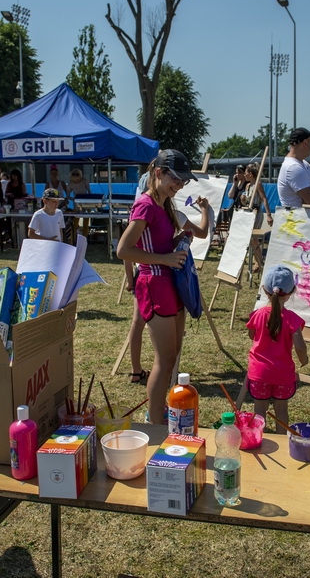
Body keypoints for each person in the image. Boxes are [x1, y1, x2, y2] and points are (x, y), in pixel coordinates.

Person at [116, 149, 205, 424]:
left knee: (172, 356)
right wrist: (164, 258)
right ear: (158, 173)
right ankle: (154, 423)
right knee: (164, 361)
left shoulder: (165, 204)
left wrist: (179, 239)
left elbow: (157, 240)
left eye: (183, 182)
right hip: (155, 284)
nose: (179, 185)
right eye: (175, 179)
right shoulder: (145, 204)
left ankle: (159, 412)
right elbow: (123, 250)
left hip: (170, 283)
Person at [246, 265, 308, 433]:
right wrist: (304, 360)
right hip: (283, 374)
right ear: (291, 292)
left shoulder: (257, 314)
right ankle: (281, 443)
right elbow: (300, 347)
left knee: (259, 411)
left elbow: (252, 335)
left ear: (265, 290)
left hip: (259, 373)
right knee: (281, 410)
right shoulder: (292, 320)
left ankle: (259, 440)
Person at [277, 127, 310, 207]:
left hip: (301, 218)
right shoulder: (293, 167)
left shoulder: (304, 164)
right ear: (305, 143)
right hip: (296, 218)